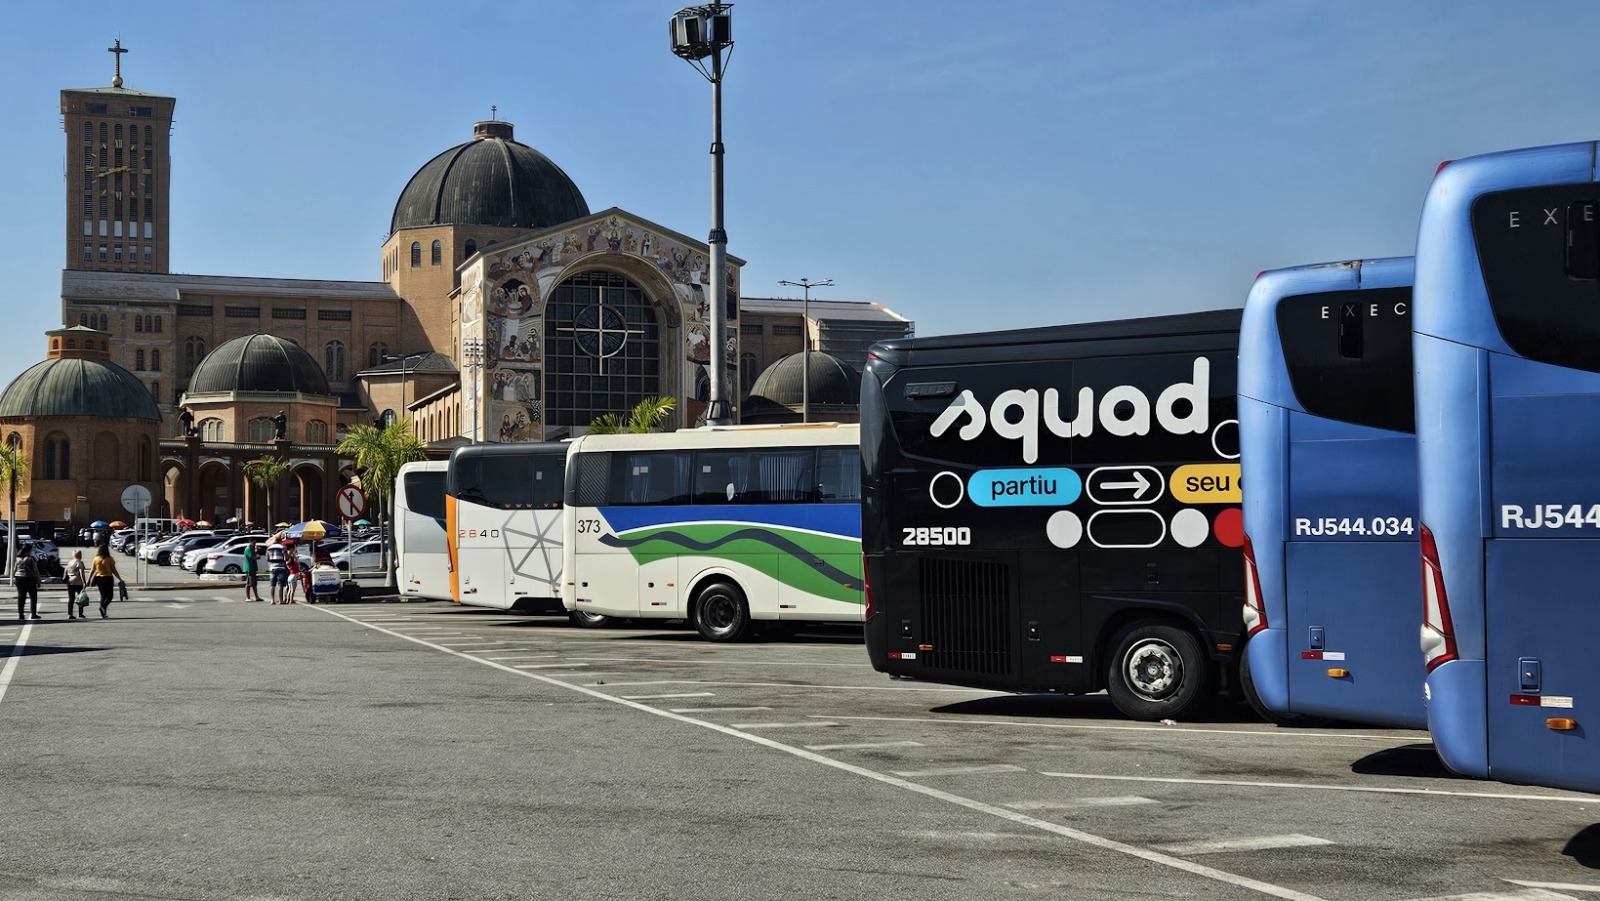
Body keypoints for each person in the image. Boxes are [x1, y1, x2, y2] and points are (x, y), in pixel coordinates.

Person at [90, 545, 122, 619]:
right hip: (108, 578)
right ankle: (103, 607)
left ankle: (103, 612)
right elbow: (113, 570)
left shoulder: (96, 559)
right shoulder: (110, 559)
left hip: (99, 578)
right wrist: (119, 578)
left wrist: (88, 580)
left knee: (103, 595)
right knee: (109, 596)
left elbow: (92, 570)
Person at [13, 544, 40, 621]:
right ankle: (33, 613)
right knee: (33, 596)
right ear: (29, 550)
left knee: (21, 597)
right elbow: (36, 570)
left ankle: (21, 614)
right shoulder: (31, 558)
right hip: (29, 578)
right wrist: (38, 580)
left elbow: (14, 569)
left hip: (19, 578)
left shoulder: (17, 558)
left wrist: (15, 577)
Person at [63, 550, 88, 621]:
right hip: (78, 581)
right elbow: (81, 572)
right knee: (80, 598)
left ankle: (69, 614)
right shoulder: (79, 562)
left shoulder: (70, 562)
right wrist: (84, 582)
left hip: (70, 581)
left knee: (71, 598)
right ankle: (80, 613)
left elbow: (66, 571)